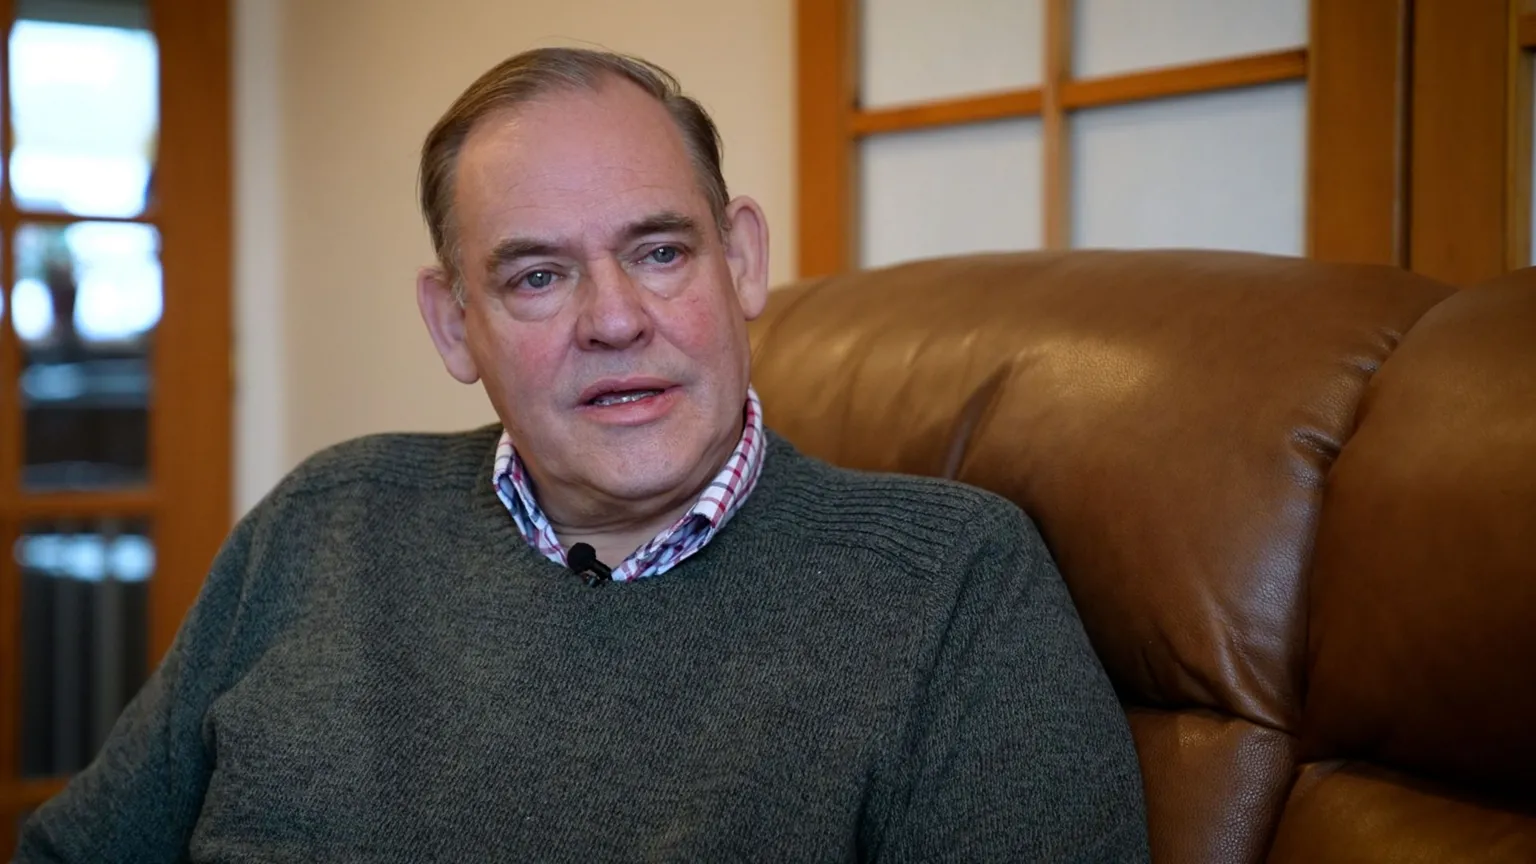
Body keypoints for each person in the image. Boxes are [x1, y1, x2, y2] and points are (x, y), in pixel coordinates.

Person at [15, 48, 1149, 862]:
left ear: (741, 262)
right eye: (538, 276)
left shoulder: (949, 586)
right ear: (455, 323)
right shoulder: (325, 521)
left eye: (659, 251)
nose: (613, 320)